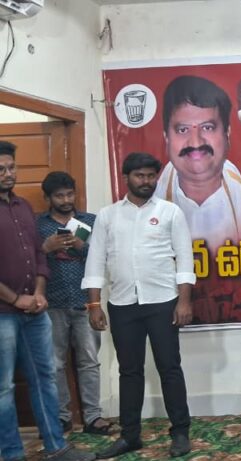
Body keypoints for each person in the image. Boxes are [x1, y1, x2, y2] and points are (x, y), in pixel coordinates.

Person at [83, 152, 196, 459]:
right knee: (129, 371)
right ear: (126, 178)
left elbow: (185, 258)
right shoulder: (107, 216)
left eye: (150, 176)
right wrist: (94, 303)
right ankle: (130, 436)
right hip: (122, 304)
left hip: (163, 302)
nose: (146, 181)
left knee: (169, 367)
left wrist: (184, 300)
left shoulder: (170, 212)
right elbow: (95, 260)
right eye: (139, 176)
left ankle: (180, 432)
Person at [0, 142, 96, 461]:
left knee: (45, 379)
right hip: (4, 313)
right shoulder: (33, 214)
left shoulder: (23, 207)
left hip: (37, 309)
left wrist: (39, 292)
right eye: (1, 169)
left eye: (11, 167)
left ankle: (56, 447)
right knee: (4, 388)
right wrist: (17, 298)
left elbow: (37, 255)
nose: (8, 174)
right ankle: (12, 453)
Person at [154, 75, 241, 250]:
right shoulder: (145, 211)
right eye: (183, 130)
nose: (195, 142)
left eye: (207, 127)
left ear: (227, 134)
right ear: (166, 138)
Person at [36, 172, 112, 435]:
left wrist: (81, 246)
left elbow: (105, 258)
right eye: (59, 196)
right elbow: (28, 260)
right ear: (48, 198)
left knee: (89, 361)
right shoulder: (37, 225)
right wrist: (46, 248)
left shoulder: (91, 221)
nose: (66, 200)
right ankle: (61, 417)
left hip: (85, 302)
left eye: (70, 194)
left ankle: (93, 417)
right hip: (51, 304)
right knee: (54, 363)